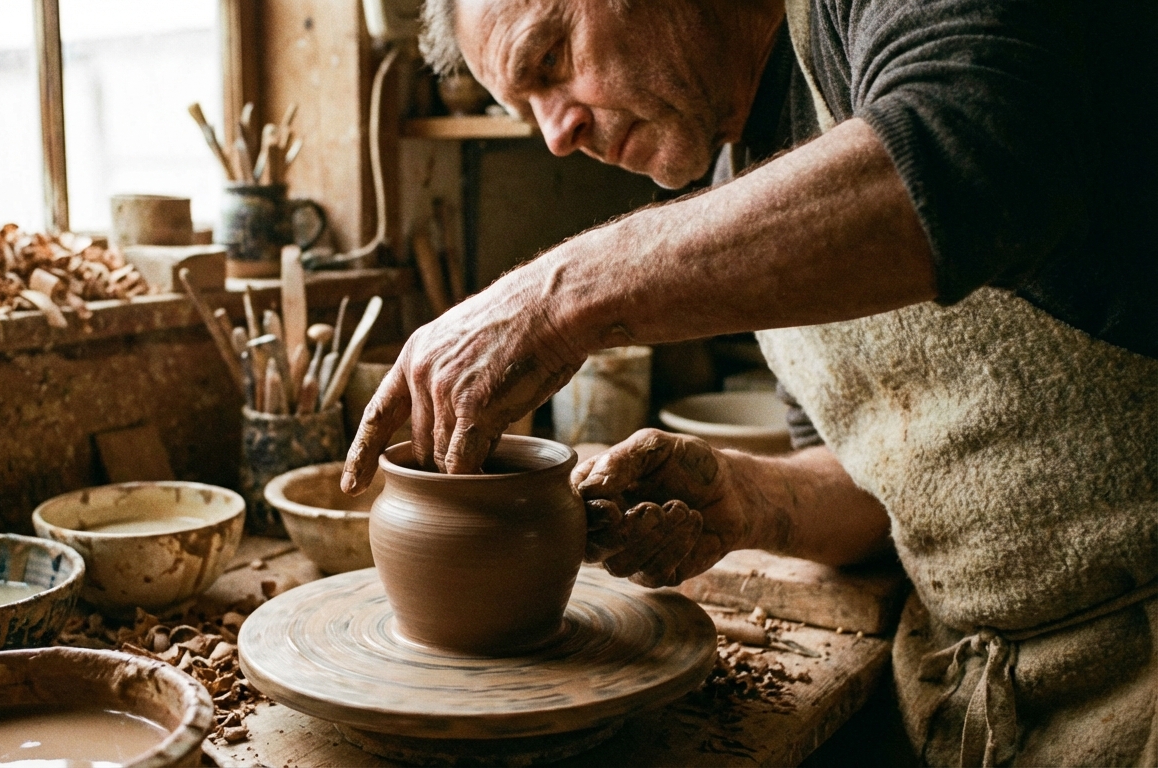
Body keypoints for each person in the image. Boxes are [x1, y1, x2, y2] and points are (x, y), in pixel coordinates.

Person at [344, 0, 1158, 765]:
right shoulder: (739, 178)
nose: (557, 134)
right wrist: (743, 500)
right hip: (987, 696)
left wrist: (560, 299)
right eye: (526, 110)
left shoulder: (855, 18)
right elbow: (883, 489)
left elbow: (979, 141)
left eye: (552, 58)